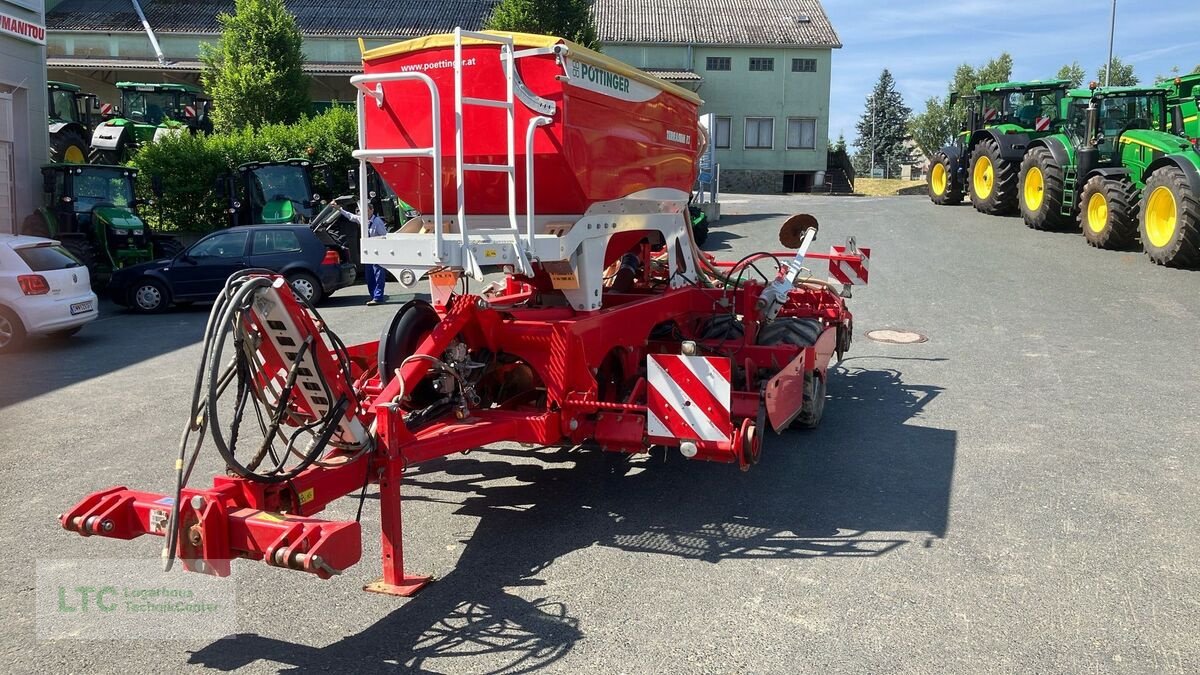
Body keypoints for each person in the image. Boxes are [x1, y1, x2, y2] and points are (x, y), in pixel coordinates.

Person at [339, 202, 388, 305]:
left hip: (377, 251)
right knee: (369, 275)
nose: (364, 213)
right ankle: (373, 295)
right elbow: (351, 216)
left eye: (366, 210)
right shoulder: (363, 220)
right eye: (362, 211)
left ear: (371, 210)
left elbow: (384, 236)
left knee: (378, 274)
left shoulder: (377, 221)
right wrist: (339, 209)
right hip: (368, 252)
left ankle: (378, 297)